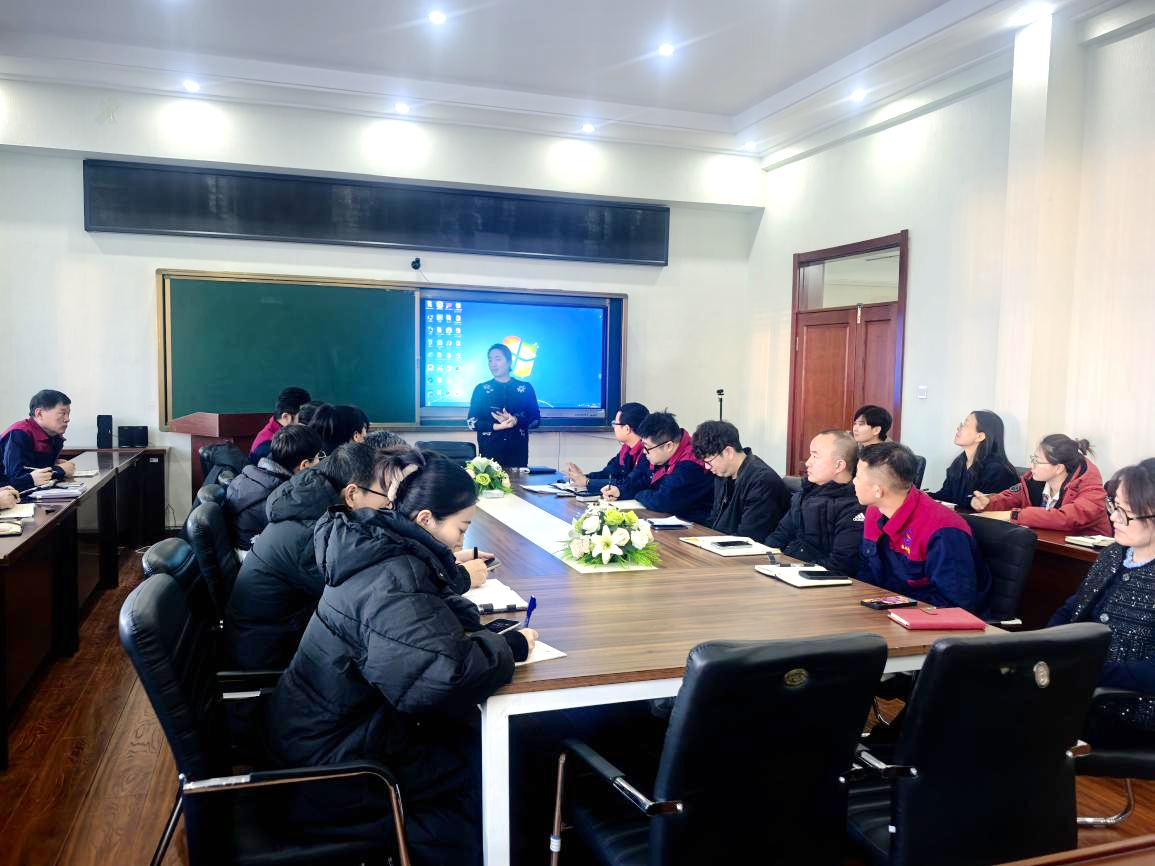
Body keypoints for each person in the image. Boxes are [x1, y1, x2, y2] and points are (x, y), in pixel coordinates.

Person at [265, 448, 536, 865]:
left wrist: (470, 623)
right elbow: (444, 677)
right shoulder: (393, 574)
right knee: (493, 764)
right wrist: (509, 647)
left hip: (323, 735)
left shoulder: (375, 547)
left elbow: (425, 622)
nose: (462, 541)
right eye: (461, 528)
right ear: (425, 519)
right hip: (335, 772)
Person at [1048, 459, 1155, 746]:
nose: (1114, 519)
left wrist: (1087, 671)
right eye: (1114, 507)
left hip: (1131, 716)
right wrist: (1045, 645)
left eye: (1126, 512)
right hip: (1082, 696)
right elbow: (1072, 608)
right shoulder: (1114, 554)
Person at [855, 442, 990, 614]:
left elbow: (955, 605)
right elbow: (867, 571)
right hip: (885, 610)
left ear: (878, 491)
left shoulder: (943, 530)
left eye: (858, 477)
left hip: (928, 618)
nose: (854, 482)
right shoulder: (875, 511)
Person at [766, 429, 865, 575]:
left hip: (815, 580)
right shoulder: (803, 494)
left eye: (815, 456)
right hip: (785, 572)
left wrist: (790, 570)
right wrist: (765, 561)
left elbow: (841, 564)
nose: (807, 463)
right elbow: (778, 537)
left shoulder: (854, 506)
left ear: (839, 465)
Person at [971, 434, 1110, 535]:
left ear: (1058, 468)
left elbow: (1068, 518)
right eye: (1033, 459)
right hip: (1046, 549)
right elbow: (1009, 498)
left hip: (1085, 558)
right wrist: (988, 502)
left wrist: (1013, 515)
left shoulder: (1091, 489)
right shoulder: (1033, 481)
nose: (1031, 466)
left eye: (1037, 461)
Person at [224, 424, 324, 550]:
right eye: (319, 457)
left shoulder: (254, 475)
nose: (321, 462)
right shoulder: (282, 499)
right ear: (304, 465)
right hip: (252, 554)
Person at [604, 411, 714, 524]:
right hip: (670, 520)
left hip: (697, 526)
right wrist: (620, 491)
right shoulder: (658, 454)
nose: (644, 452)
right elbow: (641, 480)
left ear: (668, 446)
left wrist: (639, 494)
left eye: (647, 447)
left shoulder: (691, 464)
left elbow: (663, 501)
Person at [693, 420, 789, 539]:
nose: (707, 467)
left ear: (728, 452)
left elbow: (749, 536)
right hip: (721, 544)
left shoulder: (762, 481)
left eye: (709, 461)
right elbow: (713, 521)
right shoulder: (722, 476)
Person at [466, 343, 540, 470]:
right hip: (489, 454)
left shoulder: (525, 388)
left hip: (517, 454)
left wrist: (515, 420)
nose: (493, 364)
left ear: (509, 362)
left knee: (517, 482)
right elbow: (471, 422)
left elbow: (536, 420)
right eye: (490, 360)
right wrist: (498, 426)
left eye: (498, 359)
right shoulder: (481, 389)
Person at [928, 410, 1019, 507]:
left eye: (965, 425)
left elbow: (979, 508)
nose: (958, 428)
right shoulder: (959, 462)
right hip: (960, 515)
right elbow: (945, 496)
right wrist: (923, 495)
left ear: (980, 436)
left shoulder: (997, 470)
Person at [563, 402, 649, 494]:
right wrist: (582, 477)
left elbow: (628, 484)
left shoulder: (648, 453)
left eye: (615, 424)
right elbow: (609, 473)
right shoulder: (626, 450)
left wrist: (587, 482)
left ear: (626, 429)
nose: (614, 428)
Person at [2, 389, 76, 491]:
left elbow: (33, 469)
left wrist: (54, 465)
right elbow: (16, 476)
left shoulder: (55, 436)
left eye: (68, 414)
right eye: (62, 413)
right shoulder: (19, 433)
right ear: (39, 413)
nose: (67, 419)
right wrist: (59, 470)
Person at [248, 386, 311, 465]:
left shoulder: (282, 430)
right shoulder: (269, 447)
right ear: (286, 417)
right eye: (302, 417)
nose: (307, 422)